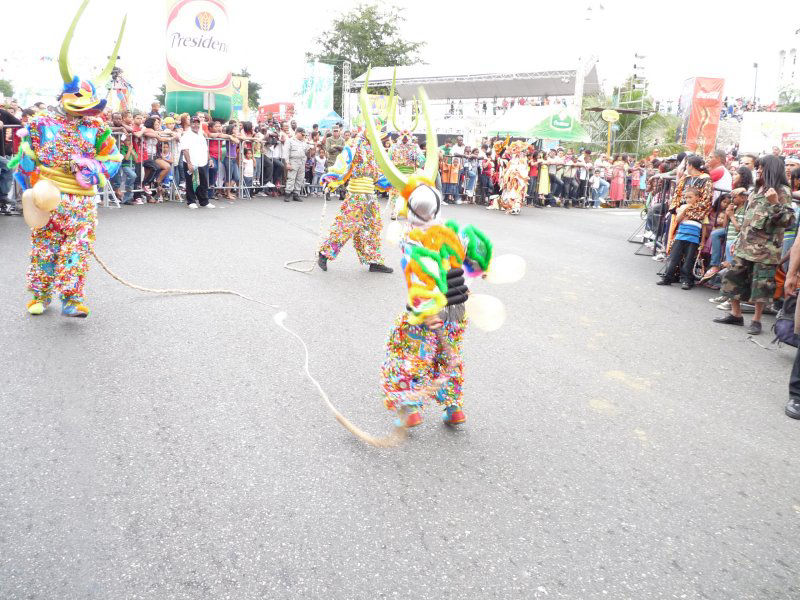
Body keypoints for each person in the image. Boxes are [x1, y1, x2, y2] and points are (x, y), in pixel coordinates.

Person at [11, 2, 125, 318]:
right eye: (78, 99)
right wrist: (30, 188)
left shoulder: (96, 127)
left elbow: (113, 155)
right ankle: (40, 294)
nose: (84, 107)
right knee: (45, 246)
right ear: (63, 95)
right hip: (48, 195)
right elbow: (25, 157)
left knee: (77, 248)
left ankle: (71, 299)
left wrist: (93, 167)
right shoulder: (40, 123)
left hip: (82, 198)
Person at [714, 155, 795, 335]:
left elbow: (788, 221)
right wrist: (738, 240)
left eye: (761, 168)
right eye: (757, 167)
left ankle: (756, 320)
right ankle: (736, 314)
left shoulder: (782, 191)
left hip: (766, 249)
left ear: (771, 169)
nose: (758, 171)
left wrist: (775, 203)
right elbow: (749, 218)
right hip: (745, 245)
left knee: (762, 285)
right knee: (732, 278)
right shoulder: (757, 189)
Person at [317, 121, 394, 274]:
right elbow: (342, 166)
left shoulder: (375, 152)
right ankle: (324, 254)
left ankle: (374, 261)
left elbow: (378, 176)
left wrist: (394, 183)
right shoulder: (354, 147)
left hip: (370, 196)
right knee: (345, 227)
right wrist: (332, 179)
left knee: (372, 228)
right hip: (356, 196)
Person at [656, 187, 705, 289]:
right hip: (680, 236)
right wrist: (684, 210)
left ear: (697, 197)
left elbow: (704, 226)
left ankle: (687, 281)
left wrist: (703, 241)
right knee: (673, 258)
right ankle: (667, 278)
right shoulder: (683, 207)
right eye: (686, 197)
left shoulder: (701, 210)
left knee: (689, 260)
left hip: (693, 239)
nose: (688, 199)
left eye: (690, 197)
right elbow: (678, 220)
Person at [180, 116, 215, 209]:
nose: (196, 125)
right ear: (190, 124)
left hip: (202, 162)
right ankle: (191, 201)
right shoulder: (186, 135)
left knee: (203, 182)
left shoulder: (201, 134)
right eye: (193, 123)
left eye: (197, 123)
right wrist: (189, 163)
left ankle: (204, 201)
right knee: (191, 182)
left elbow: (205, 148)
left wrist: (209, 159)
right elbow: (185, 150)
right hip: (191, 162)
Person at [283, 127, 307, 202]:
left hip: (301, 161)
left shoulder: (304, 142)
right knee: (291, 178)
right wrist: (287, 163)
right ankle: (287, 193)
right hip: (293, 161)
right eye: (302, 134)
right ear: (297, 133)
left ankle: (296, 194)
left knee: (300, 178)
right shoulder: (290, 141)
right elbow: (286, 152)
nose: (303, 135)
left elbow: (306, 152)